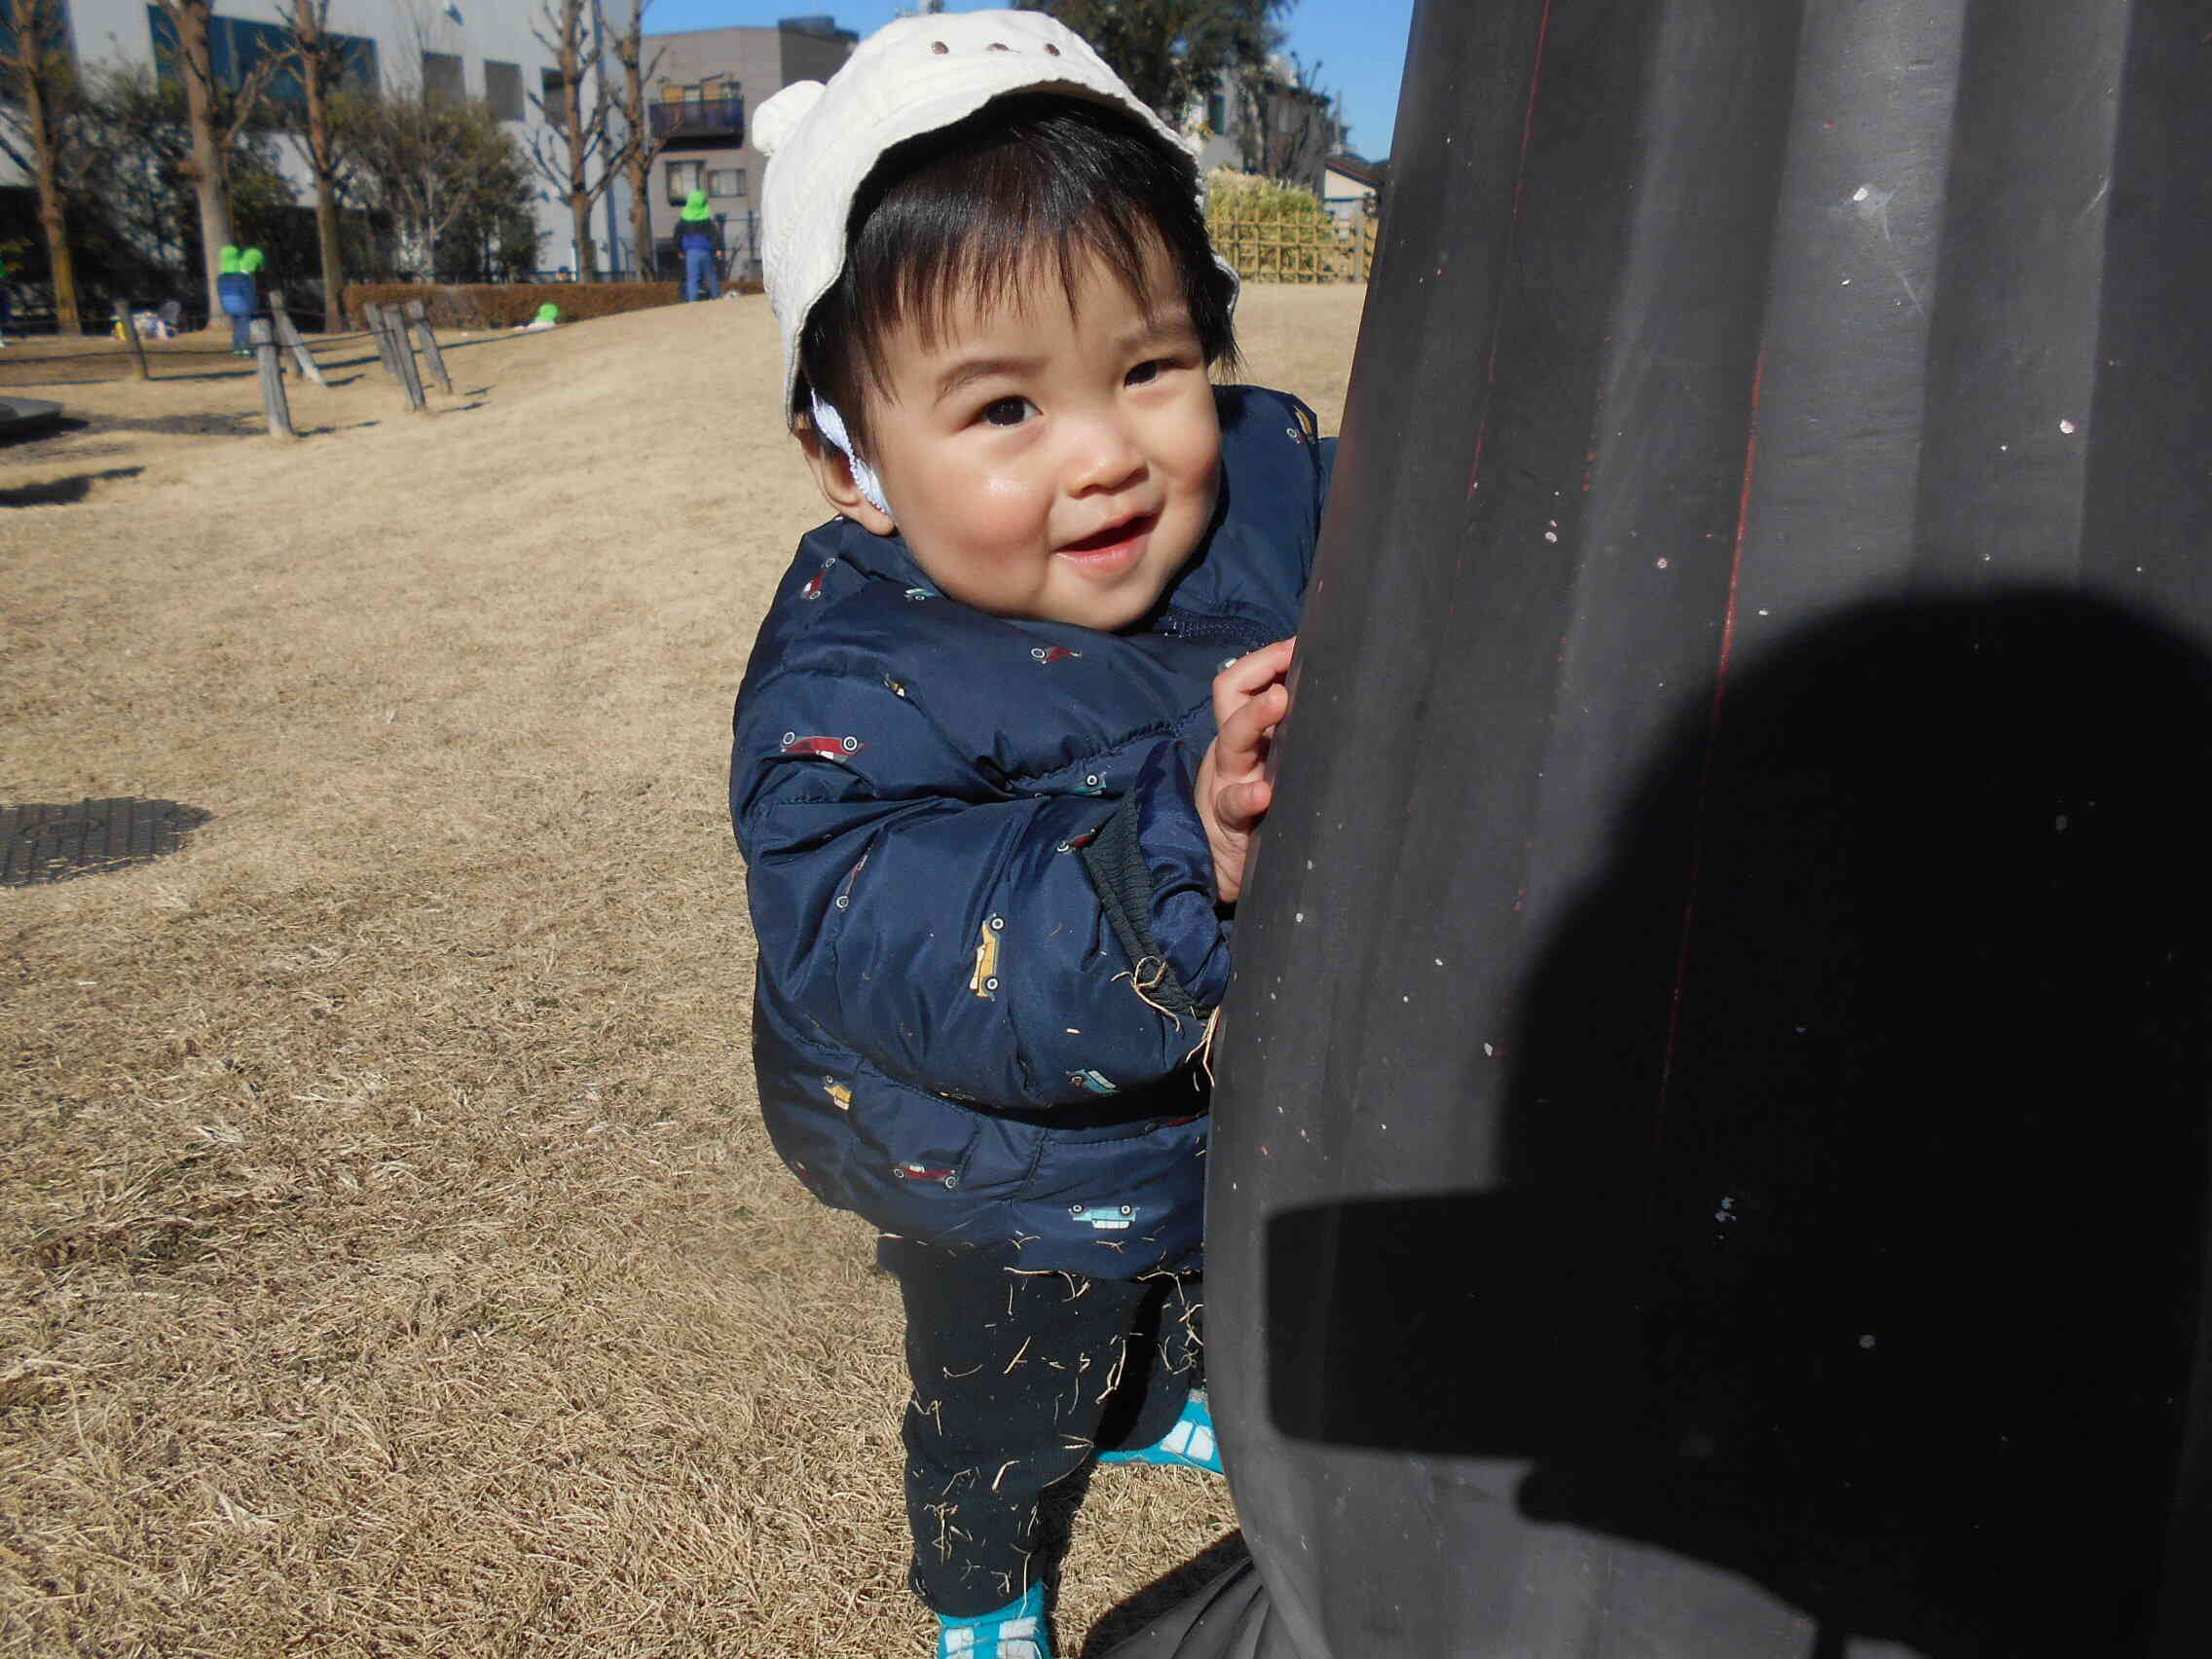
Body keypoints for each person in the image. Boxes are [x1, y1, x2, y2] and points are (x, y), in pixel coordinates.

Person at [727, 14, 1329, 1659]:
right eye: (1002, 409)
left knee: (1202, 1272)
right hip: (981, 1159)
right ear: (850, 458)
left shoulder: (1269, 487)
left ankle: (1161, 1391)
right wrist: (1173, 848)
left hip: (1201, 1103)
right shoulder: (851, 689)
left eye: (1146, 365)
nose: (1105, 452)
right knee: (1002, 1386)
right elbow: (901, 935)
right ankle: (981, 1581)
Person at [675, 189, 724, 301]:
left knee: (692, 279)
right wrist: (718, 249)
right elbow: (714, 234)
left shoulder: (683, 220)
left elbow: (677, 236)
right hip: (706, 251)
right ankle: (717, 297)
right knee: (711, 276)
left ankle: (692, 301)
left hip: (691, 252)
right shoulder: (707, 220)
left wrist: (680, 250)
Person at [215, 244, 263, 355]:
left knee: (236, 326)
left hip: (228, 305)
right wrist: (254, 305)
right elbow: (249, 292)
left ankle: (236, 347)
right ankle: (245, 347)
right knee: (244, 326)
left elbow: (220, 292)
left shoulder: (221, 277)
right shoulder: (244, 277)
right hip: (243, 305)